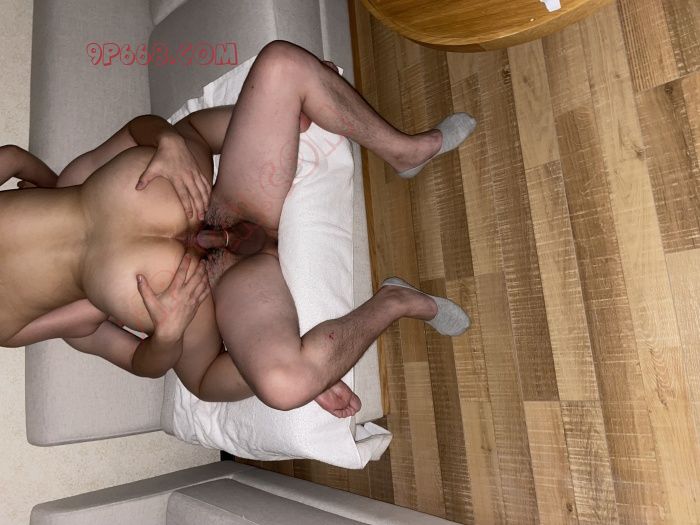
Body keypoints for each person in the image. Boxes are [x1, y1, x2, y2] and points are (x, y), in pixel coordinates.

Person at [0, 40, 473, 418]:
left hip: (229, 197)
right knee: (276, 386)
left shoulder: (79, 180)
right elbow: (138, 362)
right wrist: (165, 336)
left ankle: (404, 152)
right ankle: (396, 302)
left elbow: (114, 135)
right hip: (222, 286)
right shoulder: (19, 324)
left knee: (282, 64)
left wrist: (165, 140)